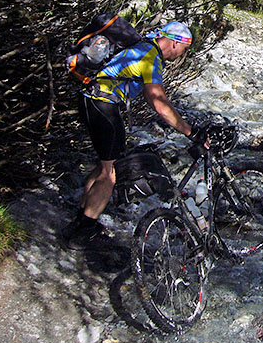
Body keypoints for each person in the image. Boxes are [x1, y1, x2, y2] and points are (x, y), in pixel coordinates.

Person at [62, 20, 194, 248]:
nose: (183, 54)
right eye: (185, 48)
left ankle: (82, 220)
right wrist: (189, 131)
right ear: (175, 43)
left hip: (90, 100)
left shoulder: (143, 47)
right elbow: (158, 102)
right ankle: (83, 232)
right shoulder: (149, 57)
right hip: (102, 105)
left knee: (104, 165)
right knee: (109, 174)